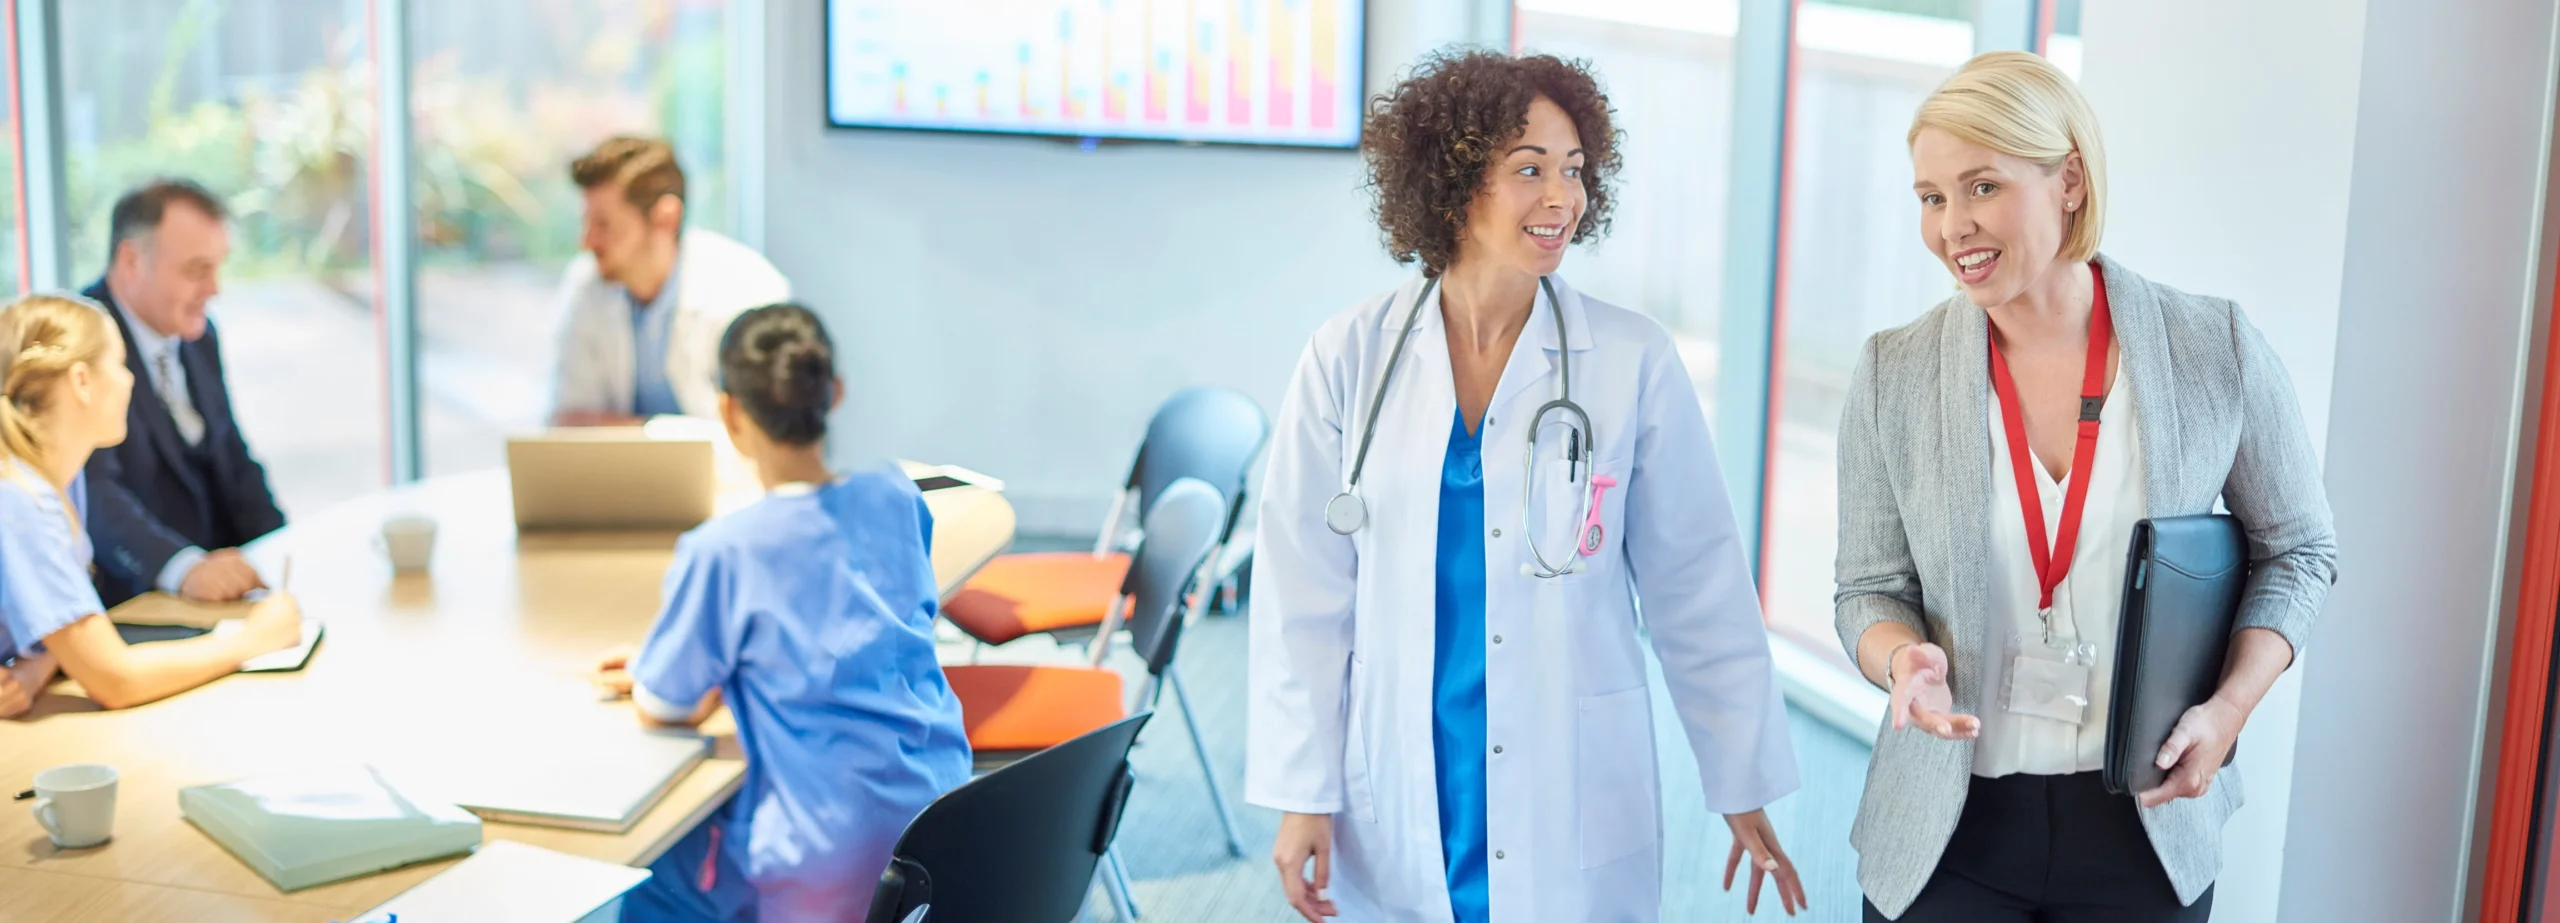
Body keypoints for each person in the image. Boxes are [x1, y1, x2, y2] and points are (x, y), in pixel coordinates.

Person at [1247, 50, 1807, 922]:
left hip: (1565, 767)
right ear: (1454, 180)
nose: (1563, 198)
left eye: (1576, 170)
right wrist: (1302, 789)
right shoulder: (1349, 356)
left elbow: (1697, 586)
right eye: (1530, 170)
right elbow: (1301, 598)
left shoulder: (1630, 361)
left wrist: (1739, 777)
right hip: (1406, 757)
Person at [1836, 52, 2338, 922]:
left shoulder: (2211, 346)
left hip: (2143, 826)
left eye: (1981, 186)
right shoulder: (1895, 372)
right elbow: (1867, 587)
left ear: (2068, 179)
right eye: (1931, 197)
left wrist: (2229, 709)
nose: (1953, 225)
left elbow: (2299, 549)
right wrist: (1899, 661)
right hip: (1950, 833)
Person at [590, 302, 970, 921]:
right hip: (946, 826)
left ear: (729, 412)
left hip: (831, 870)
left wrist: (672, 671)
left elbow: (662, 707)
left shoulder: (723, 551)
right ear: (834, 393)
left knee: (653, 875)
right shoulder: (896, 493)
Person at [0, 293, 301, 717]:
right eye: (119, 365)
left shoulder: (61, 483)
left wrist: (31, 673)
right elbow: (116, 680)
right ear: (82, 381)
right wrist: (250, 641)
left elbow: (61, 622)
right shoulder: (21, 502)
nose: (129, 381)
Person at [81, 179, 286, 608]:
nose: (215, 289)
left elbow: (230, 455)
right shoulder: (80, 345)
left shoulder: (198, 334)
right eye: (196, 270)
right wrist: (183, 568)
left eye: (218, 267)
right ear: (132, 261)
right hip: (138, 601)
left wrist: (282, 551)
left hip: (223, 592)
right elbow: (93, 492)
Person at [550, 136, 790, 426]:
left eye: (604, 225)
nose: (586, 241)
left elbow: (761, 435)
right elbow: (569, 422)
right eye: (586, 223)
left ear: (666, 218)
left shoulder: (749, 289)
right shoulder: (586, 283)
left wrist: (633, 429)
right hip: (620, 473)